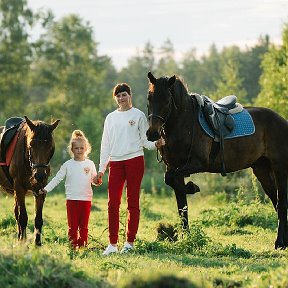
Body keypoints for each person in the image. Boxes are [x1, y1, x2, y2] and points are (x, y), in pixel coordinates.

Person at [95, 82, 165, 256]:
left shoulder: (139, 115)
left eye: (124, 94)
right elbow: (105, 145)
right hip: (116, 163)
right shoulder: (110, 118)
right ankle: (112, 244)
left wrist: (156, 144)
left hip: (135, 160)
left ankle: (129, 243)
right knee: (113, 203)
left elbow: (144, 141)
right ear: (115, 98)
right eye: (118, 96)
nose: (121, 98)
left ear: (130, 95)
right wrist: (101, 169)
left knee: (132, 202)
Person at [40, 130, 98, 249]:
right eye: (76, 148)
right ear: (72, 149)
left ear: (86, 149)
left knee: (84, 226)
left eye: (82, 148)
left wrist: (97, 181)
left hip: (86, 199)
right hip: (72, 200)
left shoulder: (90, 164)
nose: (79, 150)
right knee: (73, 226)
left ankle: (82, 247)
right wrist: (46, 189)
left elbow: (93, 180)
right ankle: (72, 246)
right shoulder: (67, 165)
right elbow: (57, 178)